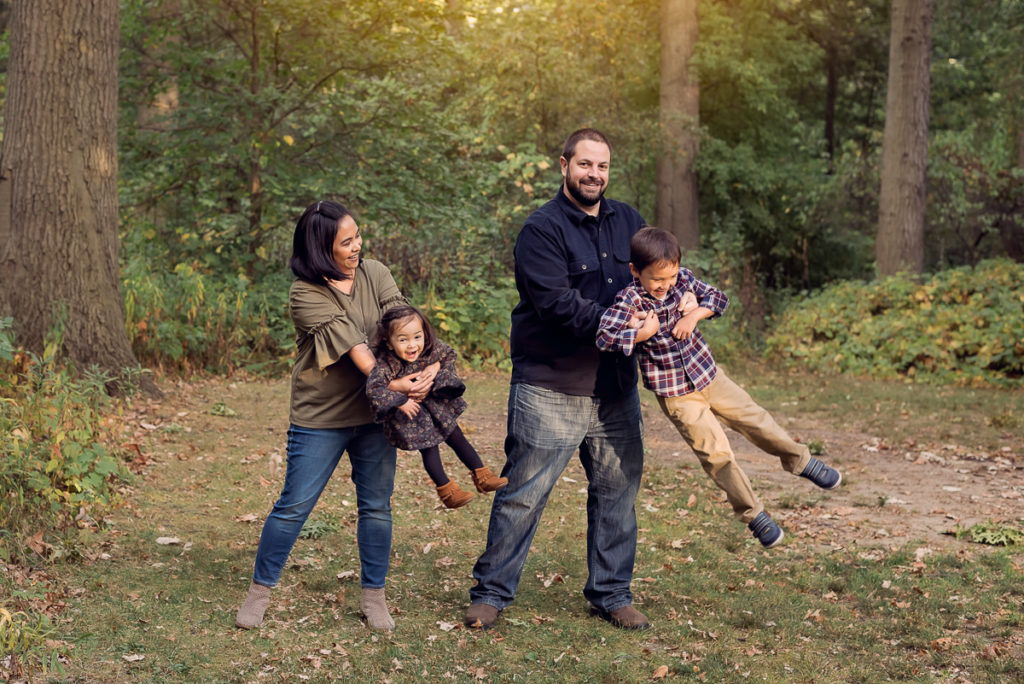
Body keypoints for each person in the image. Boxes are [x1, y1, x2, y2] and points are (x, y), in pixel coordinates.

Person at [463, 128, 653, 631]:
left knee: (617, 493)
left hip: (615, 387)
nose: (595, 174)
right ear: (564, 164)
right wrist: (625, 326)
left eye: (603, 166)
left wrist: (676, 311)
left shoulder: (630, 221)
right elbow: (557, 304)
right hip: (552, 385)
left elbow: (658, 280)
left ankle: (612, 593)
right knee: (523, 493)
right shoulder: (541, 229)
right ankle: (491, 593)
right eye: (585, 164)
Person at [235, 200, 433, 632]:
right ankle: (259, 593)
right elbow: (357, 349)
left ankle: (374, 597)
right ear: (322, 248)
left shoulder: (376, 274)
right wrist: (396, 385)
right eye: (347, 241)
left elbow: (402, 326)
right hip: (321, 416)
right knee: (294, 506)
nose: (358, 246)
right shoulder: (305, 292)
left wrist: (429, 366)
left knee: (377, 506)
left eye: (358, 235)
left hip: (375, 415)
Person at [596, 227, 842, 548]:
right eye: (656, 279)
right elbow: (604, 336)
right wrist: (642, 333)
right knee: (716, 453)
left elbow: (719, 298)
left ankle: (801, 461)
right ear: (635, 271)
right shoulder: (629, 300)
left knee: (756, 420)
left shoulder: (682, 279)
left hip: (711, 376)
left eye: (669, 277)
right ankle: (754, 515)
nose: (665, 285)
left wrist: (695, 314)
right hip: (677, 395)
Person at [365, 305, 508, 508]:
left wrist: (436, 366)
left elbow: (449, 353)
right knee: (430, 449)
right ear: (389, 343)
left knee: (457, 437)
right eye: (403, 339)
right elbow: (374, 389)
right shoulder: (386, 364)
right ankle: (448, 491)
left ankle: (483, 475)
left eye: (417, 336)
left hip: (436, 407)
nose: (412, 345)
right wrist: (401, 401)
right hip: (412, 415)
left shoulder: (431, 349)